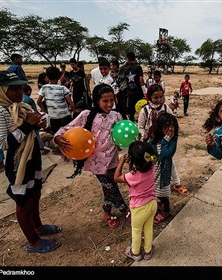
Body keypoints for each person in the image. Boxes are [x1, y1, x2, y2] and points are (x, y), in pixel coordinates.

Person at [0, 71, 62, 253]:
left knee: (34, 194)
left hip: (32, 156)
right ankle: (33, 242)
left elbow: (29, 128)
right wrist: (28, 125)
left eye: (20, 88)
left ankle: (39, 227)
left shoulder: (17, 105)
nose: (20, 92)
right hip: (18, 163)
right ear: (0, 90)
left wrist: (38, 124)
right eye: (14, 89)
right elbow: (4, 143)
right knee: (23, 201)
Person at [54, 84, 130, 229]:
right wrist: (57, 137)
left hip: (113, 161)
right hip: (97, 163)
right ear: (96, 101)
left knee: (108, 188)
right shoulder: (86, 115)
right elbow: (66, 128)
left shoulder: (117, 115)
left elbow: (123, 135)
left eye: (111, 100)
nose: (109, 104)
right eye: (105, 101)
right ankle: (124, 210)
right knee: (111, 186)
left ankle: (107, 212)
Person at [138, 84, 189, 197]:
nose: (159, 100)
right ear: (149, 97)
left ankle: (177, 183)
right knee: (152, 163)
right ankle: (152, 185)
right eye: (155, 97)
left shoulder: (166, 108)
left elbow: (172, 121)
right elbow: (140, 127)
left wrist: (171, 135)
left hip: (164, 142)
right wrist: (144, 135)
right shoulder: (145, 110)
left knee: (170, 162)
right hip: (150, 143)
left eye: (161, 97)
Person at [114, 141, 158, 261]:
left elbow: (116, 177)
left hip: (139, 209)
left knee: (136, 231)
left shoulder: (132, 176)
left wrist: (122, 161)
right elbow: (150, 158)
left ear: (133, 161)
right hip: (152, 204)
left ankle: (136, 253)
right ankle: (148, 252)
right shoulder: (152, 166)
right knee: (148, 228)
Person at [148, 112, 179, 224]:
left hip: (164, 174)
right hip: (154, 171)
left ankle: (166, 210)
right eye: (166, 126)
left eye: (172, 126)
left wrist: (166, 140)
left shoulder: (172, 142)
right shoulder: (155, 140)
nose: (170, 129)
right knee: (155, 191)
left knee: (163, 193)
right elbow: (151, 151)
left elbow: (166, 154)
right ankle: (160, 203)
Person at [37, 66, 75, 135]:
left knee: (56, 135)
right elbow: (71, 104)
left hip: (53, 117)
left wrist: (45, 111)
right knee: (67, 134)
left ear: (47, 77)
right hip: (65, 117)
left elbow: (38, 102)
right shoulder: (63, 88)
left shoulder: (44, 88)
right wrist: (72, 110)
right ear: (59, 77)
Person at [117, 52, 146, 122]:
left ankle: (132, 126)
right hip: (138, 92)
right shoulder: (138, 67)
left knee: (131, 113)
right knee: (141, 110)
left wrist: (126, 63)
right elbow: (141, 79)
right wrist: (145, 91)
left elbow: (119, 73)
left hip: (130, 92)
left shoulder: (125, 68)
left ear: (127, 58)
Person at [22, 84, 48, 155]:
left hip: (22, 121)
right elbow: (35, 111)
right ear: (29, 92)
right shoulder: (29, 99)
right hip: (31, 120)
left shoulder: (19, 98)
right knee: (36, 134)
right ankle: (41, 148)